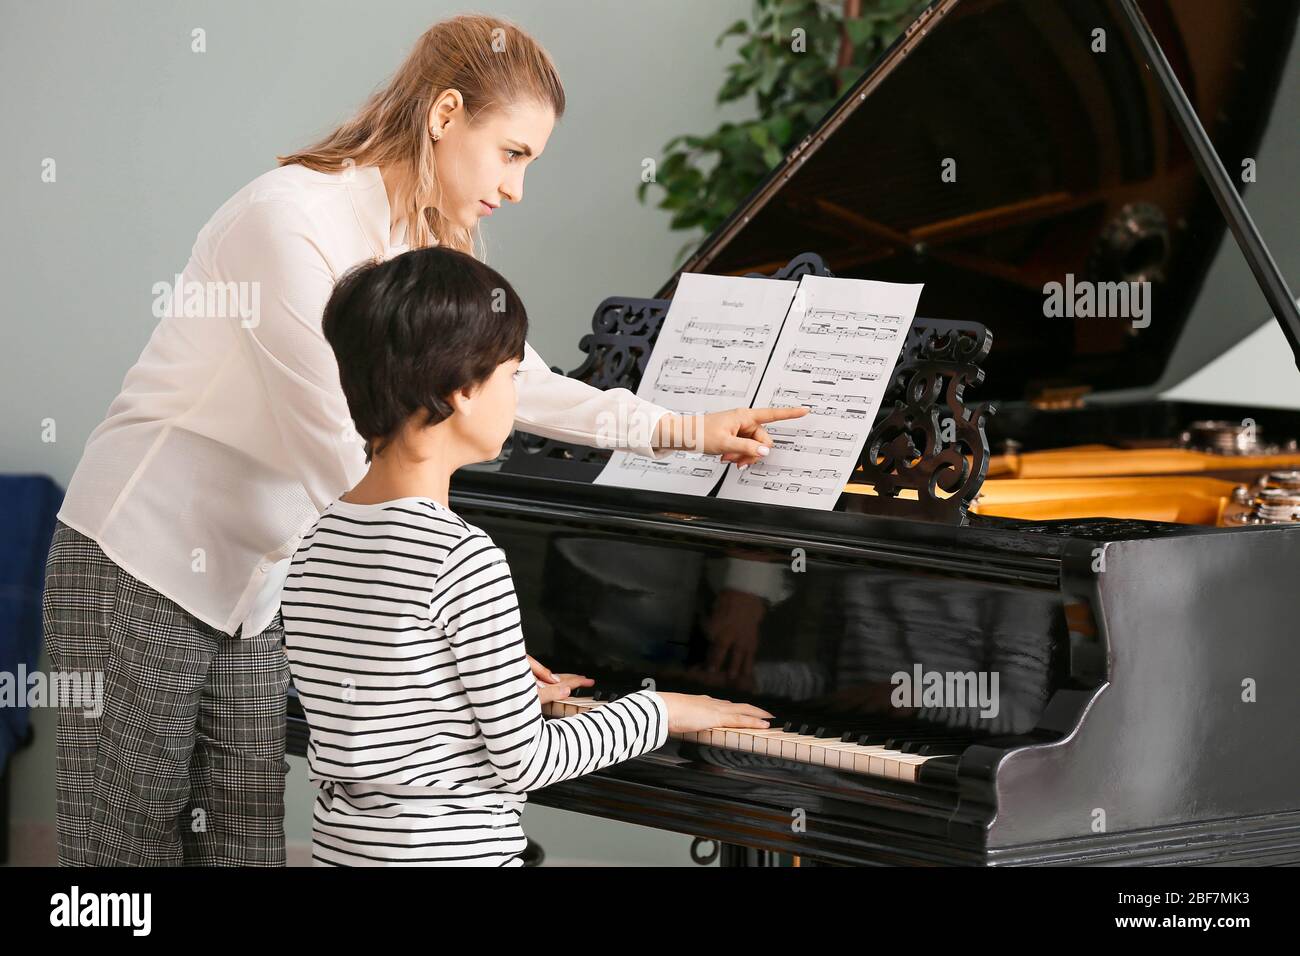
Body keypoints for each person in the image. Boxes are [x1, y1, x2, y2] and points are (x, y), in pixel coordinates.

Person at [42, 12, 802, 866]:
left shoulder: (422, 240)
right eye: (512, 154)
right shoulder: (287, 217)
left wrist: (677, 428)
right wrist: (481, 642)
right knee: (124, 854)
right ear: (445, 115)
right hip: (143, 552)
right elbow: (343, 439)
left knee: (246, 843)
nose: (517, 189)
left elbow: (513, 375)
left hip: (260, 584)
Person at [283, 246, 774, 865]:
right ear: (461, 390)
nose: (518, 399)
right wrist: (662, 709)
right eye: (513, 376)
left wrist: (490, 695)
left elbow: (387, 713)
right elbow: (525, 760)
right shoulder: (462, 556)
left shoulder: (318, 539)